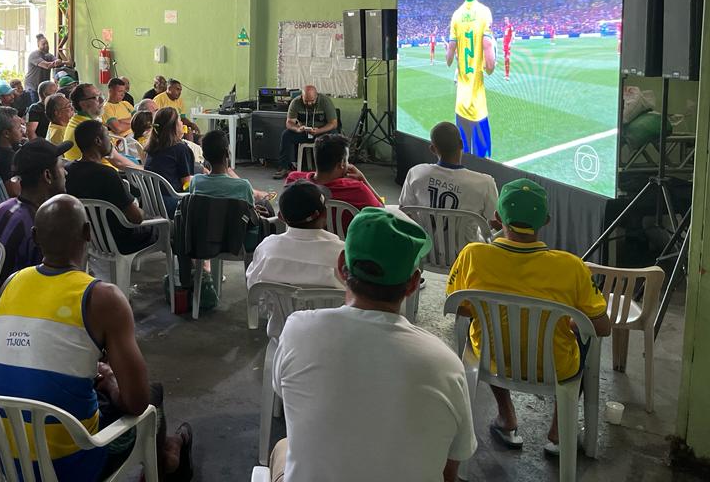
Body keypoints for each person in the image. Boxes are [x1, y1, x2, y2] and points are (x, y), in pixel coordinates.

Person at [0, 195, 192, 481]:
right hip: (72, 466)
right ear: (88, 233)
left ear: (35, 236)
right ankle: (164, 467)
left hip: (6, 459)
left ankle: (168, 451)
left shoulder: (13, 283)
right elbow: (137, 402)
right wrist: (110, 381)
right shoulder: (102, 298)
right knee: (153, 396)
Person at [272, 207, 476, 482]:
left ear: (342, 266)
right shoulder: (445, 362)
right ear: (414, 283)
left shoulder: (299, 329)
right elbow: (450, 470)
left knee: (283, 447)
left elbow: (282, 391)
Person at [447, 179, 611, 455]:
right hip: (555, 367)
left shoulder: (473, 255)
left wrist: (489, 312)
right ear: (545, 220)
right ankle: (559, 433)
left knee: (484, 330)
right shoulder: (572, 266)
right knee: (585, 340)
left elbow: (458, 306)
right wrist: (572, 322)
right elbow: (603, 326)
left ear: (498, 218)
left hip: (491, 357)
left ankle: (506, 416)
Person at [0, 138, 71, 315]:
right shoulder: (39, 224)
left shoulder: (4, 208)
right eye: (61, 166)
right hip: (10, 326)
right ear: (47, 176)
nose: (65, 172)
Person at [245, 179, 344, 338]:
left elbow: (256, 293)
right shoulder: (342, 253)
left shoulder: (267, 249)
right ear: (324, 215)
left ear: (281, 217)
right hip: (332, 336)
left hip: (282, 336)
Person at [65, 120, 157, 253]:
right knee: (166, 228)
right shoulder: (107, 174)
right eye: (107, 136)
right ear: (98, 141)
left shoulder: (68, 170)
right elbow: (136, 218)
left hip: (89, 239)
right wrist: (145, 213)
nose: (111, 142)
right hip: (120, 241)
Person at [400, 121, 497, 241]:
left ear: (432, 149)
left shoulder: (416, 173)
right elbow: (495, 222)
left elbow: (404, 211)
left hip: (426, 251)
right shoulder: (485, 183)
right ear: (461, 144)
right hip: (468, 256)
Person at [446, 0, 496, 158]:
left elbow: (449, 59)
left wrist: (451, 53)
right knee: (484, 164)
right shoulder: (485, 13)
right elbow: (490, 66)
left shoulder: (456, 15)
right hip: (478, 106)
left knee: (462, 159)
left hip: (461, 104)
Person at [285, 134, 383, 226]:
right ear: (341, 164)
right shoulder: (358, 190)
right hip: (344, 243)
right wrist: (362, 179)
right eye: (347, 160)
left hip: (304, 242)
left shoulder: (293, 180)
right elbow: (381, 211)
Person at [64, 84, 140, 170]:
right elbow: (118, 161)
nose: (102, 100)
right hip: (103, 175)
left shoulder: (75, 121)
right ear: (83, 104)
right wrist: (144, 170)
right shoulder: (90, 128)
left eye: (101, 95)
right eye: (95, 97)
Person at [191, 130, 272, 205]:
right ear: (227, 153)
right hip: (233, 220)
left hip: (204, 220)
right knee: (265, 204)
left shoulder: (196, 182)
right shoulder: (243, 186)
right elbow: (250, 213)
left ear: (204, 156)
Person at [274, 84, 338, 179]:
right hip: (304, 132)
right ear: (302, 97)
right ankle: (284, 167)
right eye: (306, 101)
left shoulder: (325, 102)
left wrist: (319, 130)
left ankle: (332, 169)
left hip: (321, 132)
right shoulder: (295, 102)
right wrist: (297, 129)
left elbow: (333, 123)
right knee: (286, 135)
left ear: (316, 96)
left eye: (312, 101)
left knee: (334, 135)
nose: (309, 104)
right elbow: (289, 122)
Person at [144, 107, 194, 214]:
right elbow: (186, 184)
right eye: (180, 120)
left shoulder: (152, 147)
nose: (182, 123)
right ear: (174, 126)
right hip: (170, 203)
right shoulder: (180, 149)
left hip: (150, 201)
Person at [25, 33, 66, 104]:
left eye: (47, 44)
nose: (46, 46)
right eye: (43, 44)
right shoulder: (34, 55)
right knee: (35, 107)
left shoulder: (48, 56)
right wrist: (57, 62)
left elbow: (58, 61)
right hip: (33, 88)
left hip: (43, 88)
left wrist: (59, 61)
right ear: (38, 45)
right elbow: (47, 65)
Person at [0, 106, 24, 198]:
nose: (23, 132)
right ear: (6, 134)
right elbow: (15, 191)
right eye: (19, 128)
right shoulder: (8, 157)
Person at [503, 16, 514, 80]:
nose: (505, 20)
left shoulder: (510, 26)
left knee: (507, 59)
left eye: (506, 19)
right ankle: (506, 75)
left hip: (508, 45)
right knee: (505, 60)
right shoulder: (505, 27)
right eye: (504, 19)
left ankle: (507, 75)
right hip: (505, 45)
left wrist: (510, 43)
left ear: (508, 20)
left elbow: (512, 35)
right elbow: (505, 36)